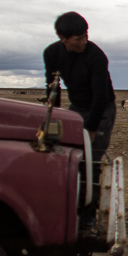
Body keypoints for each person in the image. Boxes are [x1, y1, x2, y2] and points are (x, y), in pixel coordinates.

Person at [43, 12, 116, 168]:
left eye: (85, 36)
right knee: (69, 154)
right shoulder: (52, 53)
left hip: (102, 109)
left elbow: (100, 95)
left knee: (91, 158)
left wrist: (91, 129)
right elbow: (52, 87)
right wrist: (54, 117)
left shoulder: (96, 56)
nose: (83, 42)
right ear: (62, 38)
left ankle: (92, 183)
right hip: (77, 107)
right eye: (78, 39)